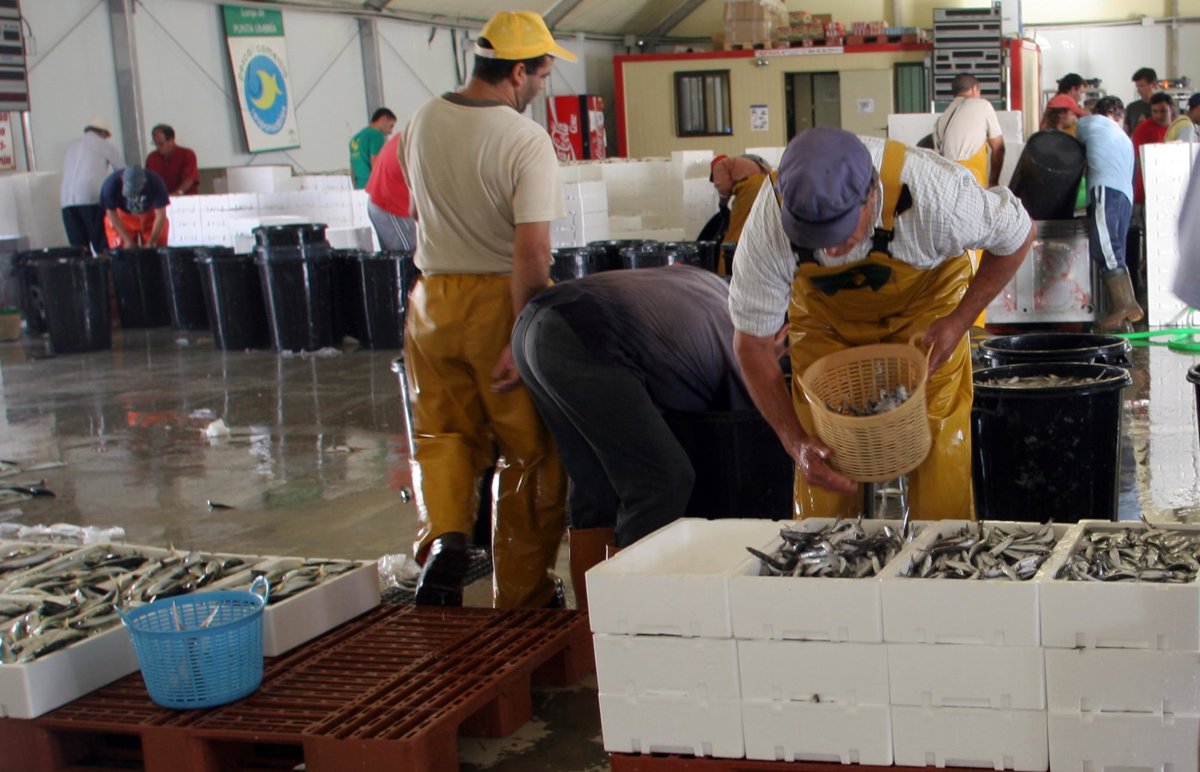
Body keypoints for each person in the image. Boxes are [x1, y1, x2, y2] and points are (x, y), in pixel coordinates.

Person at [729, 128, 1035, 520]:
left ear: (871, 196)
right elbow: (752, 347)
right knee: (822, 448)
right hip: (825, 320)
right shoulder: (767, 224)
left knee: (939, 445)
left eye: (840, 232)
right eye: (812, 237)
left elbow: (1019, 234)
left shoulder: (937, 195)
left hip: (926, 310)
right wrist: (794, 442)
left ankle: (941, 546)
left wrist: (959, 321)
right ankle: (826, 550)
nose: (830, 250)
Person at [398, 10, 574, 609]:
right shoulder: (523, 140)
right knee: (530, 451)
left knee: (442, 432)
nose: (542, 87)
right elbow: (533, 251)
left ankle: (446, 538)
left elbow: (417, 213)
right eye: (542, 75)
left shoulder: (420, 121)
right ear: (517, 72)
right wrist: (523, 336)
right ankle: (523, 593)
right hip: (498, 300)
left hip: (430, 300)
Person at [511, 266, 755, 611]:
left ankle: (591, 619)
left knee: (595, 484)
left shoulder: (706, 284)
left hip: (531, 326)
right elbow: (738, 427)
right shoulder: (741, 336)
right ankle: (626, 615)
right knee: (662, 482)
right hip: (587, 340)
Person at [1075, 96, 1143, 330]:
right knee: (1116, 250)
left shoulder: (1088, 123)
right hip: (1125, 196)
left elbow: (1073, 156)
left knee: (1104, 246)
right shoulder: (1125, 138)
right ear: (1119, 116)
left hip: (1105, 188)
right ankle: (1121, 319)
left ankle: (1125, 303)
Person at [60, 117, 123, 254]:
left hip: (66, 202)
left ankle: (84, 268)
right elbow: (122, 172)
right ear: (104, 133)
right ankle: (105, 268)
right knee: (102, 245)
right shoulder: (105, 145)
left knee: (79, 249)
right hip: (91, 198)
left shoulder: (71, 145)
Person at [934, 73, 1005, 187]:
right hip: (974, 183)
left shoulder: (941, 119)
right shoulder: (983, 106)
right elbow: (999, 147)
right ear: (974, 89)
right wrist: (993, 182)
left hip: (947, 186)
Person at [364, 131, 415, 251]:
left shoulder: (409, 134)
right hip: (389, 205)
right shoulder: (421, 142)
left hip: (383, 201)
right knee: (408, 255)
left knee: (399, 254)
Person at [710, 154, 775, 245]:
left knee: (737, 227)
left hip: (751, 189)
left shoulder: (719, 165)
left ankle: (729, 252)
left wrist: (722, 205)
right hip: (767, 187)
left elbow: (723, 188)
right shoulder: (745, 163)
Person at [100, 165, 170, 249]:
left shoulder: (156, 183)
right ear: (122, 179)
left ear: (144, 182)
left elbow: (160, 215)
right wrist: (127, 240)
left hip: (150, 218)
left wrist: (153, 241)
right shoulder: (110, 185)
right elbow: (111, 214)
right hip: (122, 218)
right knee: (122, 248)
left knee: (156, 248)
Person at [1132, 92, 1175, 209]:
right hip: (1146, 190)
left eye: (1163, 111)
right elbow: (1138, 161)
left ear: (1171, 108)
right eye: (1154, 111)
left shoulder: (1177, 128)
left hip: (1172, 187)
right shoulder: (1143, 129)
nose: (1159, 115)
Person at [144, 124, 199, 197]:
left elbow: (189, 180)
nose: (157, 147)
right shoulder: (152, 158)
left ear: (171, 140)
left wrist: (177, 194)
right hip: (161, 200)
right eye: (155, 143)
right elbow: (149, 182)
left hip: (185, 199)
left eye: (160, 144)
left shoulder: (187, 154)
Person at [349, 108, 396, 190]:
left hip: (359, 186)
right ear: (383, 119)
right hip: (373, 186)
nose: (390, 132)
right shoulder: (376, 135)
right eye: (391, 126)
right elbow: (376, 164)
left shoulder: (355, 138)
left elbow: (352, 168)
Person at [1125, 67, 1158, 134]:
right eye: (1137, 86)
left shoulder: (1164, 107)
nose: (1138, 90)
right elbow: (1125, 134)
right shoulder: (1131, 108)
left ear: (1154, 84)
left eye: (1141, 86)